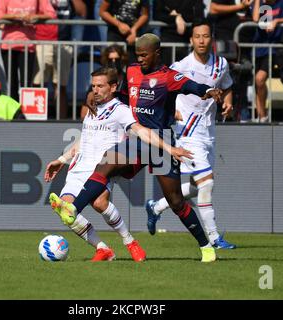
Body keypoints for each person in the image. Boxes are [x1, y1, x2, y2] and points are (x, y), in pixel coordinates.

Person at [49, 33, 223, 263]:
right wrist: (95, 97)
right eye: (137, 55)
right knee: (105, 164)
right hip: (138, 139)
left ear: (156, 54)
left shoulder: (169, 77)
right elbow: (122, 95)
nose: (140, 59)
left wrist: (208, 91)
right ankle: (73, 209)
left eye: (144, 55)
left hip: (161, 140)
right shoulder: (131, 72)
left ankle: (205, 245)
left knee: (176, 201)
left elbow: (192, 85)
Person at [145, 20, 236, 249]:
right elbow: (161, 89)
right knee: (206, 185)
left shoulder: (221, 64)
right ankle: (214, 239)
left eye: (206, 36)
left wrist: (227, 102)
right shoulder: (181, 66)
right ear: (191, 40)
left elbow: (226, 86)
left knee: (197, 186)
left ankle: (156, 207)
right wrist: (171, 109)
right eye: (197, 36)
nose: (202, 40)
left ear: (211, 39)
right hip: (187, 130)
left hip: (208, 132)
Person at [45, 67, 147, 262]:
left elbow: (136, 132)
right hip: (78, 167)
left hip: (101, 168)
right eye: (93, 86)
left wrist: (159, 145)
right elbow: (83, 140)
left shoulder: (122, 111)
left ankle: (129, 241)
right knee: (65, 210)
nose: (95, 90)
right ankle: (103, 249)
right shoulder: (91, 109)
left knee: (100, 204)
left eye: (100, 86)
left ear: (113, 87)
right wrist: (62, 160)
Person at [0, 0, 53, 101]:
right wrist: (17, 16)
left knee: (26, 84)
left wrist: (35, 16)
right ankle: (15, 113)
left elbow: (51, 14)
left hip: (27, 46)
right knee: (12, 83)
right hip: (8, 45)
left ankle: (24, 113)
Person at [251, 0, 283, 123]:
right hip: (258, 48)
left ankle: (263, 115)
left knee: (259, 78)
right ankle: (262, 116)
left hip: (273, 49)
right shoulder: (263, 5)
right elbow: (256, 19)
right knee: (258, 84)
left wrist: (278, 21)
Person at [80, 44, 129, 119]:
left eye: (117, 60)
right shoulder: (98, 82)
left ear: (123, 60)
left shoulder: (129, 80)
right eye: (110, 60)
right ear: (106, 61)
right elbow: (84, 113)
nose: (114, 63)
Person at [154, 0, 205, 66]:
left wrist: (180, 16)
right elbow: (157, 15)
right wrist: (175, 18)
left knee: (186, 71)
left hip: (188, 39)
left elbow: (199, 16)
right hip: (168, 40)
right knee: (168, 71)